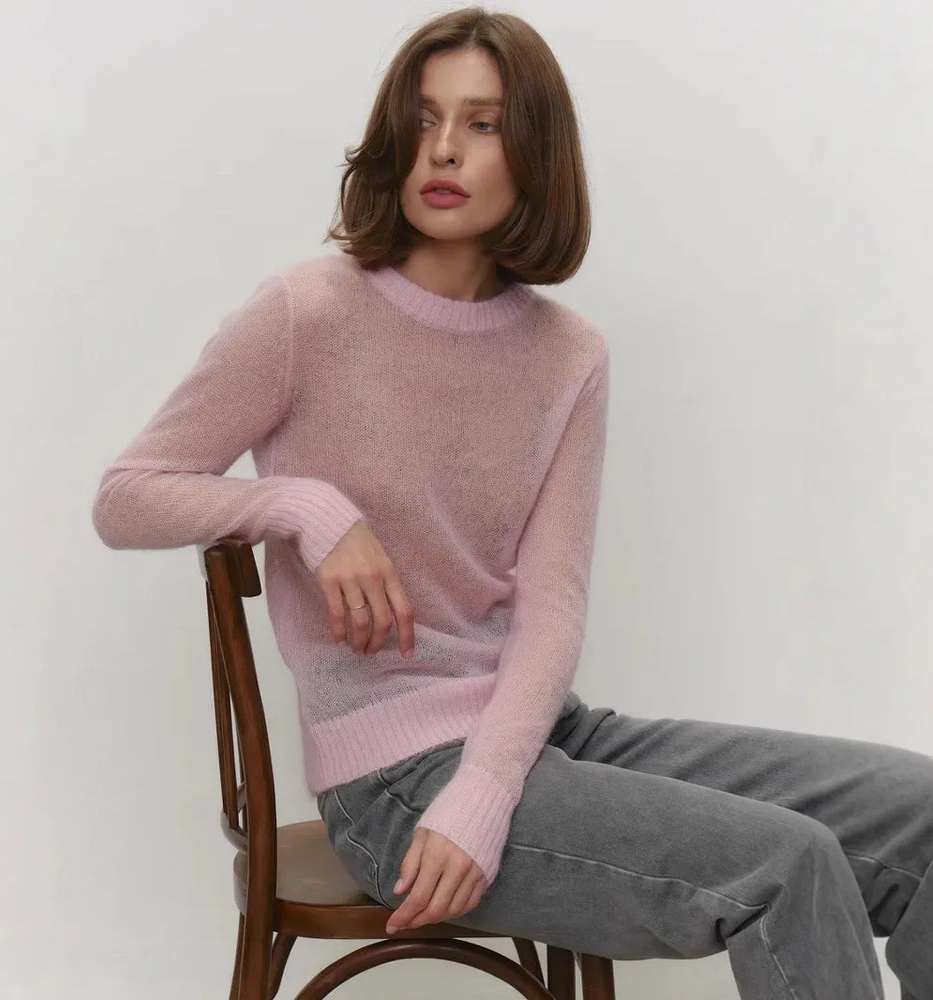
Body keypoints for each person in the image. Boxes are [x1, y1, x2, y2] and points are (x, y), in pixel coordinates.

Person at [91, 7, 932, 998]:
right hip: (395, 784)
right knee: (783, 864)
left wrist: (490, 786)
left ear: (534, 151)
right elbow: (127, 497)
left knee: (919, 812)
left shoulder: (567, 354)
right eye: (423, 118)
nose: (443, 148)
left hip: (530, 736)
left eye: (482, 124)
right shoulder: (305, 313)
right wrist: (304, 507)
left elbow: (553, 603)